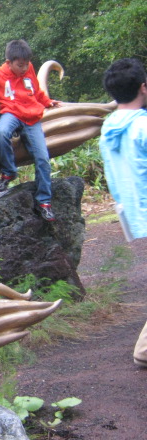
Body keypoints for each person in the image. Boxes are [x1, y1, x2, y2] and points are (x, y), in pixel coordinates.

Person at [99, 57, 147, 367]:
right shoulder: (142, 126)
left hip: (133, 214)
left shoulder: (109, 127)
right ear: (144, 87)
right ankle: (144, 350)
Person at [0, 40, 62, 221]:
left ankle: (44, 202)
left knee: (43, 158)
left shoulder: (29, 69)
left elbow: (36, 91)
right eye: (20, 65)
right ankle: (9, 172)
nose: (24, 68)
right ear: (9, 62)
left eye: (26, 64)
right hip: (11, 112)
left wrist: (48, 102)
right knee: (2, 132)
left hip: (32, 117)